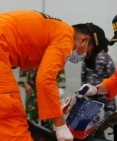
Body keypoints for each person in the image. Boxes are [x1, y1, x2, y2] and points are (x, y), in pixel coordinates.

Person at [0, 9, 108, 141]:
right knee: (11, 118)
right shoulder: (66, 38)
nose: (82, 58)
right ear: (84, 40)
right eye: (88, 54)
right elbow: (45, 79)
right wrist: (61, 125)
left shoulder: (55, 29)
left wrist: (57, 106)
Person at [81, 40, 117, 139]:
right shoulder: (106, 58)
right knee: (110, 110)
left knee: (92, 113)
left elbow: (83, 75)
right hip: (104, 90)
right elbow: (113, 76)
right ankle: (101, 127)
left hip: (90, 90)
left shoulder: (87, 58)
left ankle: (95, 132)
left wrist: (83, 91)